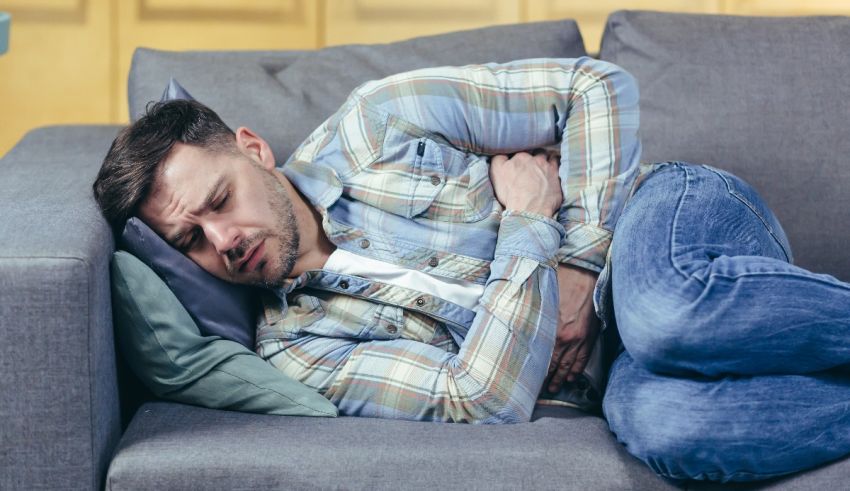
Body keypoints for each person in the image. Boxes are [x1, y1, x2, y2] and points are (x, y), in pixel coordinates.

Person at [92, 56, 849, 483]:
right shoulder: (298, 351)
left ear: (253, 149)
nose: (222, 240)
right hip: (614, 374)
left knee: (660, 314)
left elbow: (594, 87)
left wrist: (580, 263)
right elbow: (481, 398)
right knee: (668, 427)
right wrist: (526, 222)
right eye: (189, 241)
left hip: (665, 225)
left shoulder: (377, 122)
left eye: (219, 200)